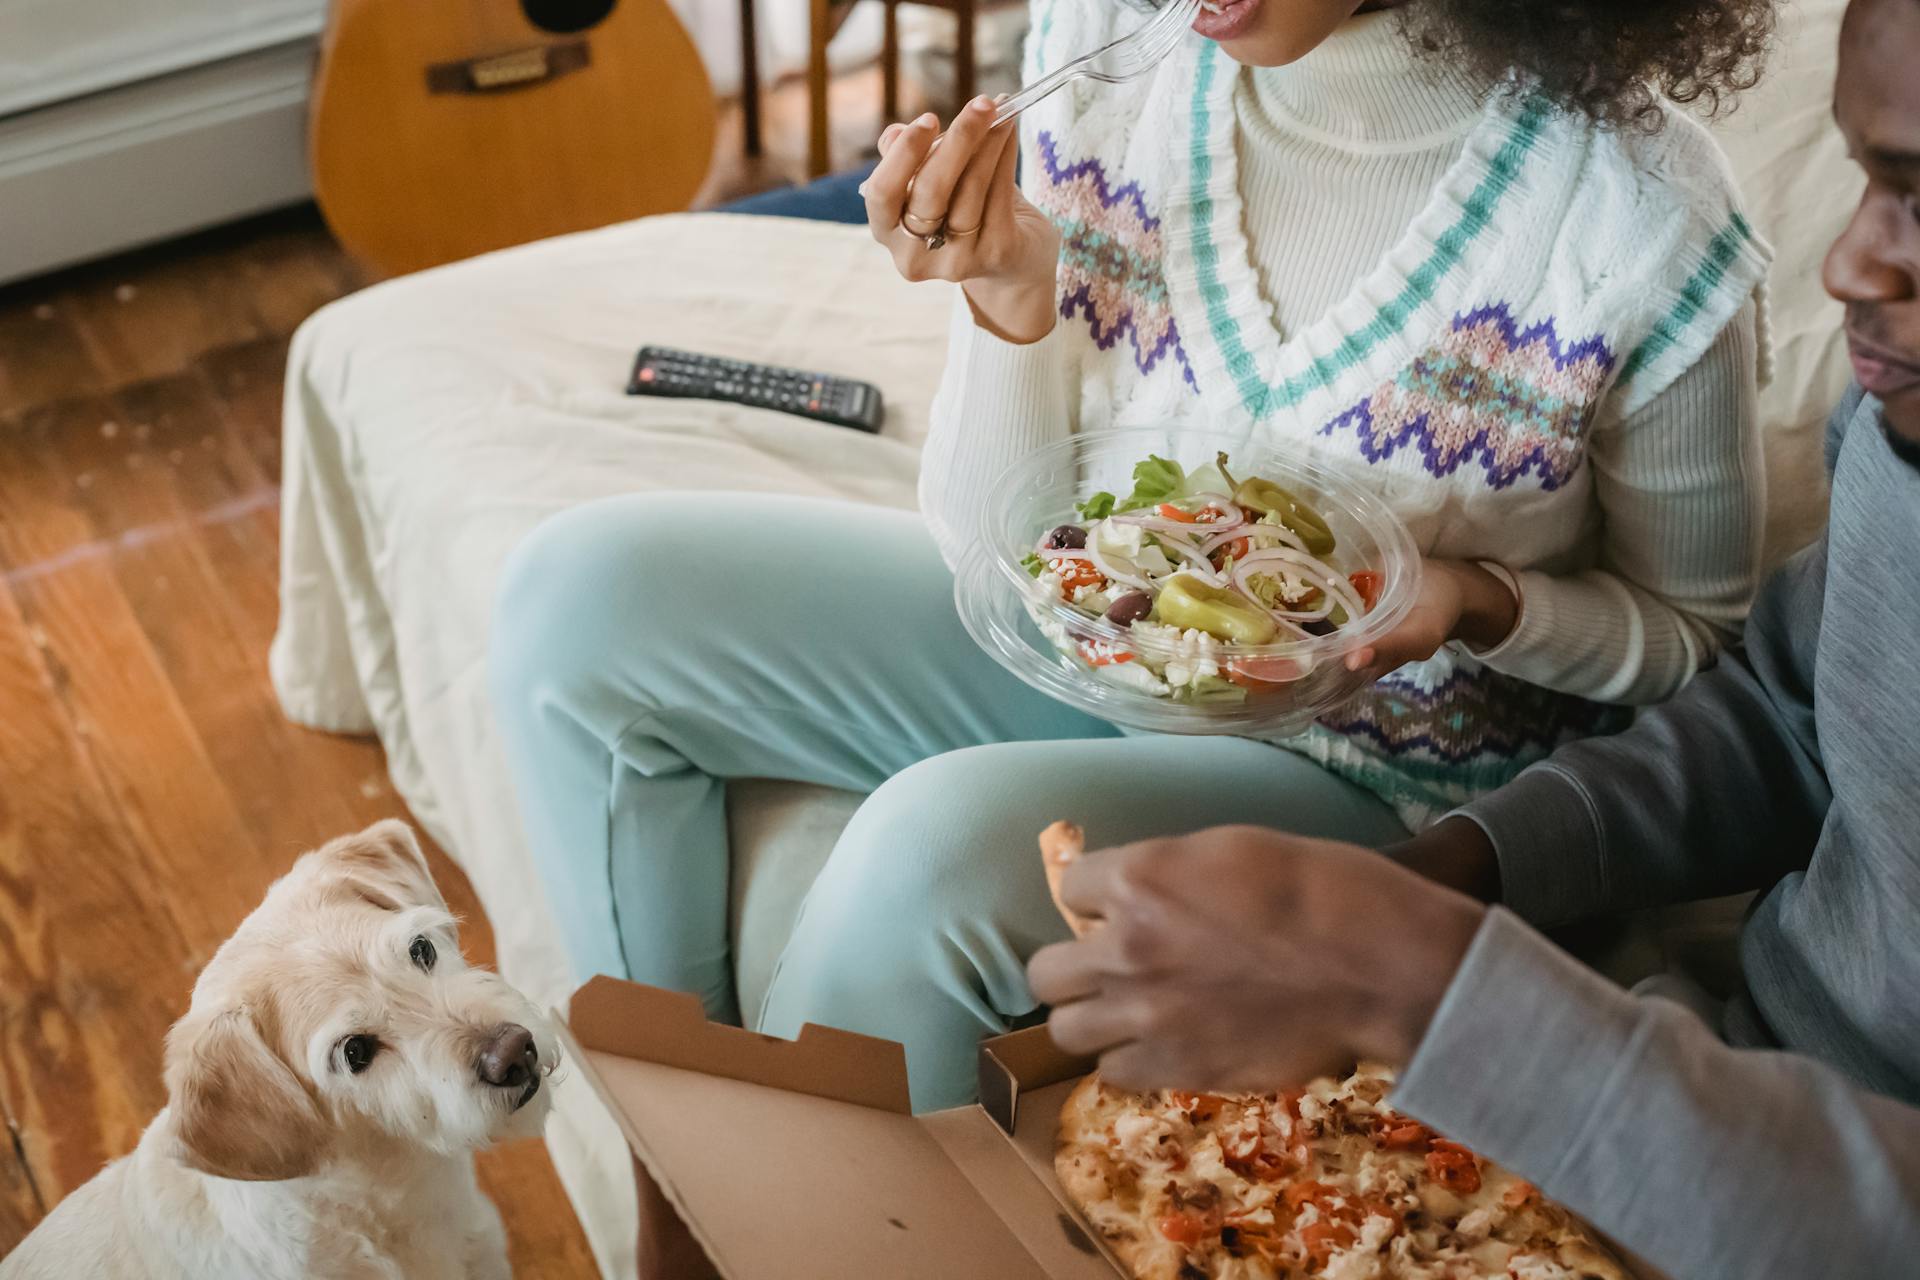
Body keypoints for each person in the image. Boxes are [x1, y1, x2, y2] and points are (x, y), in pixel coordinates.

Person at [490, 0, 1774, 1110]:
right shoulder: (1108, 45)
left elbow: (1696, 642)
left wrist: (1479, 601)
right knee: (580, 596)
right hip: (1088, 641)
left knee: (924, 854)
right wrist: (1005, 304)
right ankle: (685, 1139)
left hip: (1373, 778)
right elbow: (985, 539)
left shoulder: (1637, 220)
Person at [1027, 3, 1920, 1269]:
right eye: (1871, 181)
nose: (1849, 268)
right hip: (1690, 1069)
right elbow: (1788, 714)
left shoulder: (1644, 225)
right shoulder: (1902, 435)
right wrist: (1438, 878)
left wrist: (1428, 979)